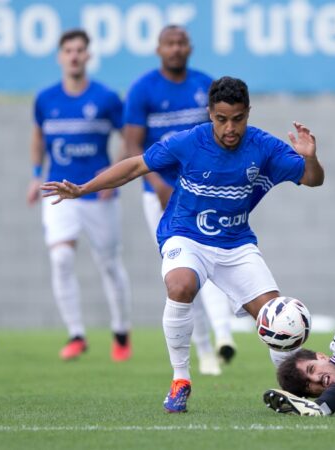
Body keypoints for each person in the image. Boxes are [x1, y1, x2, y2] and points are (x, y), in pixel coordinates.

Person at [42, 76, 325, 413]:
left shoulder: (264, 146)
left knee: (279, 319)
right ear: (210, 114)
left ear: (248, 113)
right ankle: (180, 380)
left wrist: (310, 158)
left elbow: (312, 179)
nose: (230, 127)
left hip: (236, 245)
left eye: (237, 118)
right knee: (180, 285)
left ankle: (297, 394)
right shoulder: (190, 141)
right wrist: (83, 189)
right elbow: (135, 165)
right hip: (185, 236)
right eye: (221, 119)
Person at [123, 24, 234, 376]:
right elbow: (131, 146)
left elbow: (224, 136)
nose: (175, 48)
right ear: (158, 49)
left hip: (201, 192)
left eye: (181, 42)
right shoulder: (143, 89)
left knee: (212, 260)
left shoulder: (206, 85)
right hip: (158, 196)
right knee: (183, 273)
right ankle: (204, 350)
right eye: (169, 43)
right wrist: (155, 182)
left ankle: (224, 334)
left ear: (190, 47)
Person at [25, 29, 132, 362]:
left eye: (79, 50)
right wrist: (34, 176)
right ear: (60, 56)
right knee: (60, 258)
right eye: (68, 50)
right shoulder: (45, 99)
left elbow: (130, 138)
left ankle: (121, 333)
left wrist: (112, 177)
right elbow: (39, 137)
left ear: (88, 55)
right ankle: (76, 333)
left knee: (109, 263)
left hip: (96, 195)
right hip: (58, 190)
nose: (73, 55)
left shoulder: (106, 98)